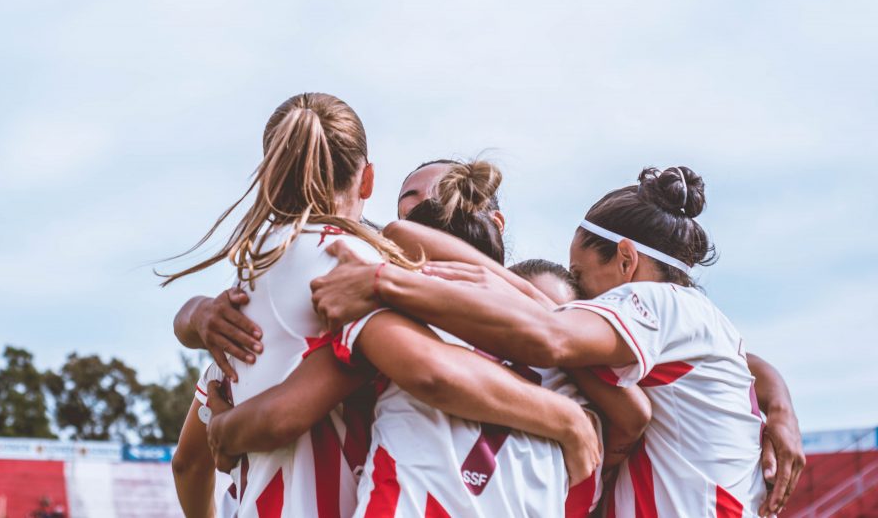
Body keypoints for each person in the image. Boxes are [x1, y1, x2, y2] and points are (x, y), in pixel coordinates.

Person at [164, 93, 598, 518]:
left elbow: (189, 463)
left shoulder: (243, 292)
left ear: (269, 176)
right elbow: (431, 370)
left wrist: (195, 321)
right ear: (367, 180)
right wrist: (565, 419)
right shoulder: (350, 264)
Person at [310, 166, 802, 516]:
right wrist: (780, 404)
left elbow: (550, 336)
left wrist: (386, 282)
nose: (577, 297)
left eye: (581, 278)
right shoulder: (698, 325)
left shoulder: (661, 302)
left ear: (627, 263)